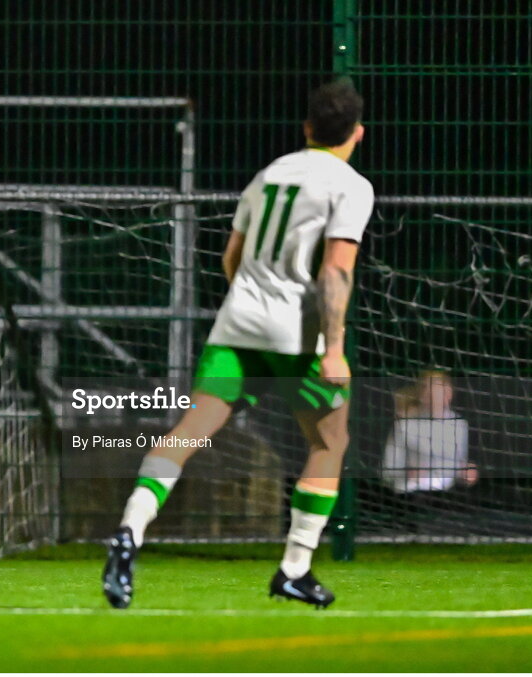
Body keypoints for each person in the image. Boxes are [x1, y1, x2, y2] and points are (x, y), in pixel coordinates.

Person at [102, 79, 374, 609]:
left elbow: (231, 256)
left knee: (189, 431)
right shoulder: (351, 185)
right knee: (328, 443)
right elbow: (336, 272)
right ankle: (294, 567)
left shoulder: (270, 173)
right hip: (295, 333)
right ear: (357, 134)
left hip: (237, 323)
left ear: (308, 128)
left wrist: (249, 305)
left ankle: (130, 529)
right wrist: (334, 347)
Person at [381, 370, 478, 518]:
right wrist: (406, 472)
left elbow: (455, 467)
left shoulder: (459, 424)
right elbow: (387, 471)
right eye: (428, 390)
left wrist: (465, 472)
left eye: (439, 390)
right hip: (411, 497)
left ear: (449, 393)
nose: (433, 395)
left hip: (445, 498)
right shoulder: (405, 425)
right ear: (421, 395)